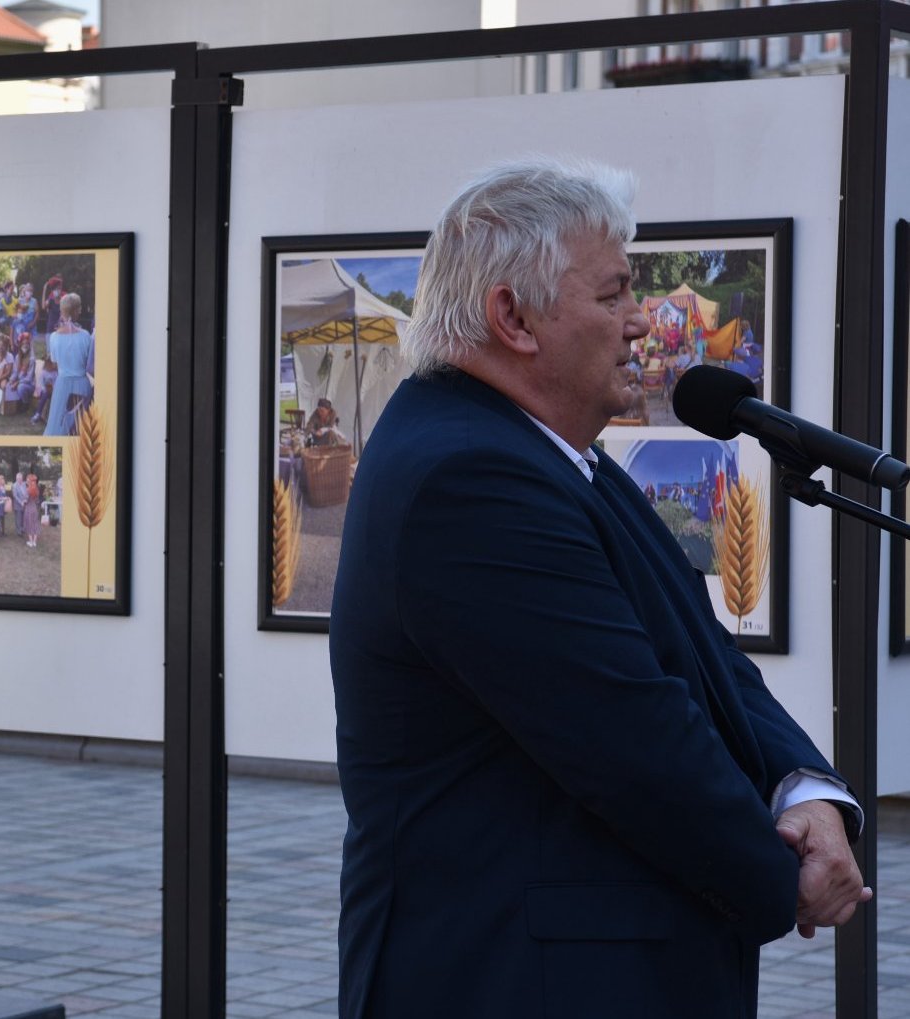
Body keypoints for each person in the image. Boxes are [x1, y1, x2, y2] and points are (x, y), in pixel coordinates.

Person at [329, 158, 867, 1019]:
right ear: (513, 316)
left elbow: (706, 657)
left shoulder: (542, 450)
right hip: (517, 981)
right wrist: (789, 875)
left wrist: (806, 791)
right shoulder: (468, 479)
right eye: (615, 292)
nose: (643, 320)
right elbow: (632, 733)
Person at [44, 292, 96, 437]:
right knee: (81, 428)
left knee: (58, 425)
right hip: (81, 384)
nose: (80, 310)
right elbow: (88, 362)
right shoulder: (86, 335)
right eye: (79, 308)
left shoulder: (54, 337)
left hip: (62, 385)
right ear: (75, 311)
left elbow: (54, 361)